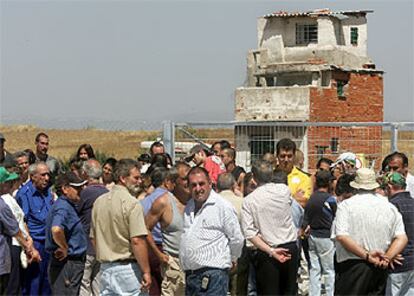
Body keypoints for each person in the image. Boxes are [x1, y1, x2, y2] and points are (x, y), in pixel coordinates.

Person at [334, 168, 408, 295]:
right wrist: (388, 257)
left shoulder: (346, 206)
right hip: (380, 266)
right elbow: (402, 237)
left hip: (353, 265)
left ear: (355, 186)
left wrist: (367, 255)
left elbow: (342, 236)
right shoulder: (389, 206)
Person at [90, 159, 151, 295]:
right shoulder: (132, 204)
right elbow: (137, 241)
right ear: (123, 178)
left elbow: (93, 238)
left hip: (105, 268)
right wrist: (146, 271)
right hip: (128, 269)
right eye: (136, 178)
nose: (139, 181)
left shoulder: (99, 202)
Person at [180, 167, 244, 296]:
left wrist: (232, 258)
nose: (198, 189)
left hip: (213, 277)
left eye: (201, 183)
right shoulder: (189, 207)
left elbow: (237, 238)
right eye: (193, 185)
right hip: (191, 276)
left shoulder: (222, 206)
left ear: (210, 183)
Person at [241, 160, 298, 295]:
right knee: (289, 291)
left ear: (254, 178)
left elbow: (250, 234)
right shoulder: (284, 190)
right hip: (290, 246)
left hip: (268, 250)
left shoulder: (249, 200)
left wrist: (271, 251)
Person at [144, 162, 191, 296]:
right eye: (184, 179)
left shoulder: (197, 202)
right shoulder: (163, 203)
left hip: (195, 264)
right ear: (172, 182)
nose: (189, 183)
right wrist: (159, 255)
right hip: (174, 264)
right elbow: (145, 228)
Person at [45, 172, 88, 295]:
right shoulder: (63, 207)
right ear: (65, 189)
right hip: (67, 265)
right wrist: (64, 247)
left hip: (69, 265)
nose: (81, 189)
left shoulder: (67, 205)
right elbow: (56, 229)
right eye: (77, 187)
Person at [0, 167, 40, 295]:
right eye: (8, 182)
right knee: (10, 289)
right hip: (4, 253)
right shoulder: (2, 204)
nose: (11, 185)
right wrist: (29, 247)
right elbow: (14, 229)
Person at [16, 162, 54, 296]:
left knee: (47, 284)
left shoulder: (48, 191)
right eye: (43, 175)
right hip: (35, 244)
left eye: (48, 174)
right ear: (33, 177)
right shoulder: (24, 194)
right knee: (33, 284)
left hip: (49, 243)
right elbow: (22, 222)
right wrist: (30, 248)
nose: (47, 178)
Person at [141, 167, 176, 296]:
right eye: (173, 181)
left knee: (153, 287)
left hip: (147, 249)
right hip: (165, 248)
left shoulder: (143, 202)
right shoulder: (170, 201)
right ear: (167, 182)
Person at [302, 170, 337, 296]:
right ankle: (329, 293)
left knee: (315, 268)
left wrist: (304, 229)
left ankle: (314, 293)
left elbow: (305, 218)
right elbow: (336, 216)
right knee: (328, 270)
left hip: (312, 236)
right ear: (329, 183)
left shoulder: (311, 198)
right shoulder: (330, 200)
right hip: (326, 237)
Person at [77, 160, 108, 296]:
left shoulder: (85, 193)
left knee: (84, 282)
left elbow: (77, 212)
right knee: (98, 282)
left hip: (87, 244)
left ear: (85, 173)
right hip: (102, 245)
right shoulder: (107, 192)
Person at [382, 172, 414, 296]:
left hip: (397, 262)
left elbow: (385, 234)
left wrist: (389, 254)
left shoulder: (391, 206)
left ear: (389, 187)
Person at [276, 138, 312, 207]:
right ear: (277, 156)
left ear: (294, 156)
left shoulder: (304, 178)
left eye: (289, 156)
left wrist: (277, 201)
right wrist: (293, 198)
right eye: (282, 156)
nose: (286, 160)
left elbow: (303, 202)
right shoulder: (269, 176)